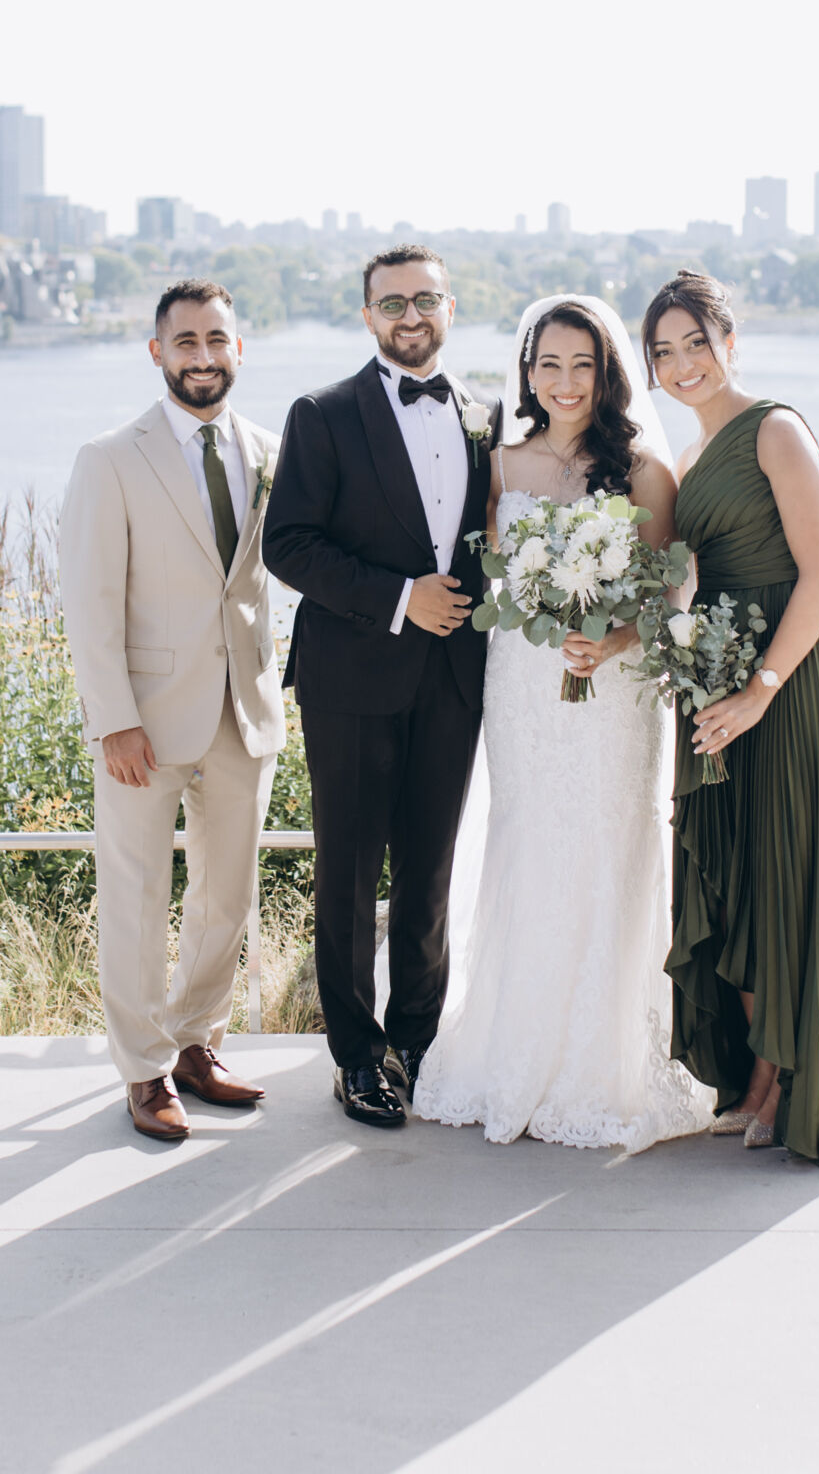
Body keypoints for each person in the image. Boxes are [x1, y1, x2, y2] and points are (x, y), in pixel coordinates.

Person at [414, 296, 713, 1150]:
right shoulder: (499, 466)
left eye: (584, 364)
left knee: (608, 848)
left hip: (613, 697)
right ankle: (513, 1051)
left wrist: (612, 639)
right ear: (528, 372)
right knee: (530, 843)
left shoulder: (644, 471)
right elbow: (483, 571)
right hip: (521, 686)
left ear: (608, 373)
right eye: (550, 364)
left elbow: (672, 590)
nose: (567, 381)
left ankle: (601, 1064)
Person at [642, 268, 819, 1170]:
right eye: (664, 351)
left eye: (696, 343)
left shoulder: (776, 429)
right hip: (721, 681)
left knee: (788, 872)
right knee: (734, 876)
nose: (683, 364)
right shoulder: (684, 463)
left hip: (790, 678)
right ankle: (756, 1073)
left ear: (729, 340)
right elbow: (676, 584)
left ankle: (792, 1080)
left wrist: (759, 689)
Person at [262, 245, 500, 1128]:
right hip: (352, 677)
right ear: (367, 316)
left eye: (425, 300)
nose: (410, 316)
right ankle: (357, 1058)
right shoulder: (321, 415)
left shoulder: (488, 420)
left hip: (455, 678)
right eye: (392, 302)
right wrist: (402, 597)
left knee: (430, 876)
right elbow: (288, 545)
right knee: (350, 874)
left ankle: (416, 1046)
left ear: (450, 308)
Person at [59, 279, 286, 1141]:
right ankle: (144, 1069)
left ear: (239, 349)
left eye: (217, 340)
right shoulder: (111, 458)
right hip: (144, 724)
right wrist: (111, 718)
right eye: (185, 341)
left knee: (227, 897)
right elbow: (89, 600)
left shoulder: (270, 451)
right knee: (136, 897)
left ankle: (197, 1044)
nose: (203, 356)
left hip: (243, 712)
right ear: (157, 352)